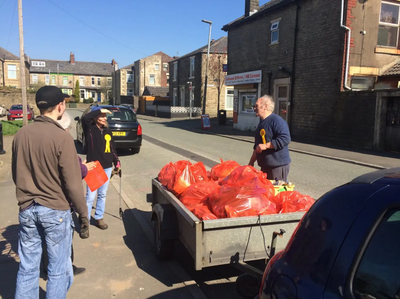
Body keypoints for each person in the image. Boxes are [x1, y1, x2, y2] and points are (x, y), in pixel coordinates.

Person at [12, 86, 89, 298]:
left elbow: (15, 175)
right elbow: (73, 184)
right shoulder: (61, 138)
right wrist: (83, 216)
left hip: (27, 208)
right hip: (55, 211)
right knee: (57, 271)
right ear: (61, 106)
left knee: (28, 269)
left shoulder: (20, 135)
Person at [82, 106, 120, 230]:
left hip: (107, 166)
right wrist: (101, 110)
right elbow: (85, 118)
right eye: (102, 116)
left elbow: (112, 148)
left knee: (102, 194)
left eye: (105, 116)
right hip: (93, 166)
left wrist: (117, 161)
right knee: (90, 196)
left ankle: (99, 217)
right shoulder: (90, 129)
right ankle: (85, 221)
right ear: (95, 117)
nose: (104, 118)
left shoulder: (108, 131)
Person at [248, 95, 291, 181]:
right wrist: (251, 162)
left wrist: (266, 145)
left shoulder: (277, 121)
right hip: (265, 166)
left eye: (256, 106)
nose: (254, 108)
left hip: (277, 167)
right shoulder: (262, 123)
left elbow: (285, 138)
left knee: (276, 193)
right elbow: (257, 147)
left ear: (265, 107)